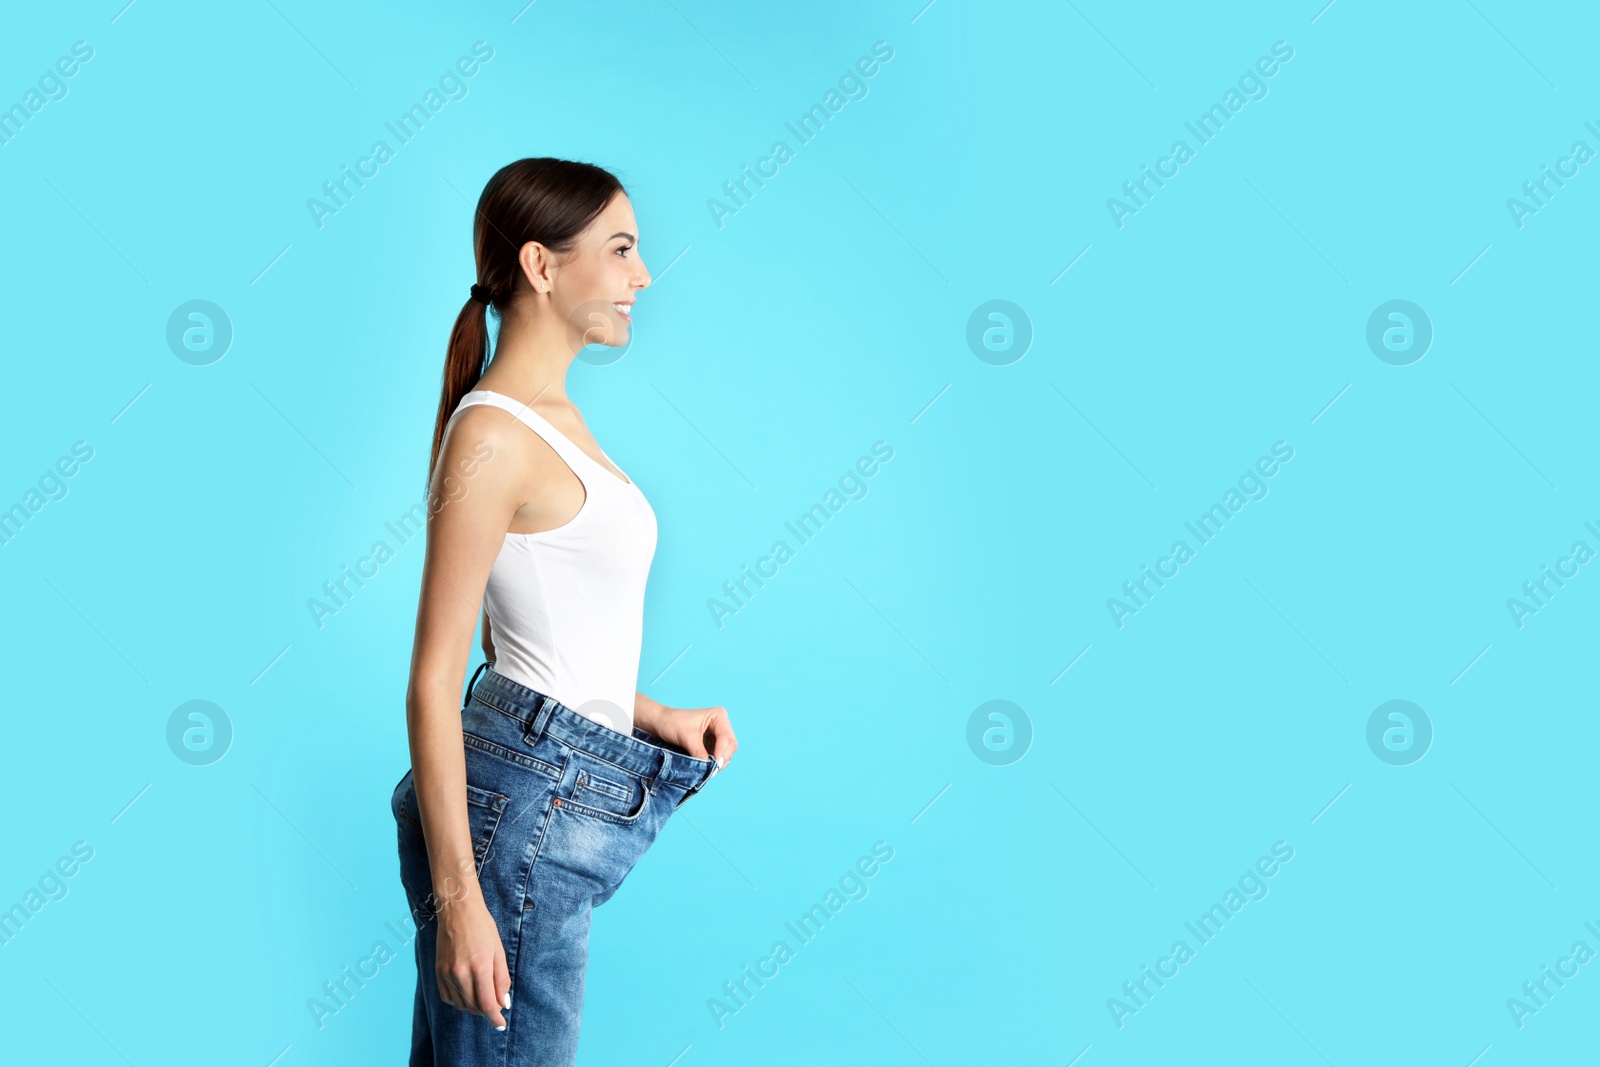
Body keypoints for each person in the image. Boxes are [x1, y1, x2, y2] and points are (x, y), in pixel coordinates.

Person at [390, 157, 738, 1066]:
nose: (643, 276)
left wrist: (650, 714)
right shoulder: (496, 432)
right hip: (521, 821)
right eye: (621, 250)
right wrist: (462, 899)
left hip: (546, 789)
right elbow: (434, 681)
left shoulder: (553, 418)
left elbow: (526, 643)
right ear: (543, 266)